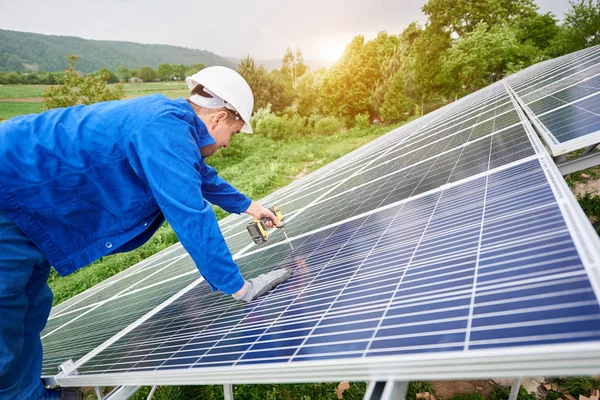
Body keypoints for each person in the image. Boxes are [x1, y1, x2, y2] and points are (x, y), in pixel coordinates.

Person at [0, 66, 293, 399]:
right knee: (3, 311)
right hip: (7, 194)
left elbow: (199, 176)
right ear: (219, 118)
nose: (227, 144)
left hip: (31, 208)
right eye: (234, 133)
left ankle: (27, 393)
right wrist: (240, 288)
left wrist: (251, 206)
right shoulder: (163, 129)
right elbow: (190, 215)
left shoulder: (172, 122)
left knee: (28, 307)